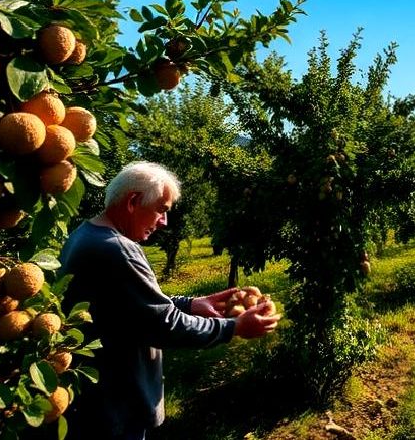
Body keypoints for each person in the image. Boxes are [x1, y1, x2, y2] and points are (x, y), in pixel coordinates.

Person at [59, 161, 281, 439]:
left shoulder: (84, 235)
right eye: (161, 210)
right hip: (117, 407)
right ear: (134, 201)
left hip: (97, 399)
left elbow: (130, 307)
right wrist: (233, 327)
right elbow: (164, 325)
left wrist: (191, 304)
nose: (164, 222)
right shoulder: (117, 249)